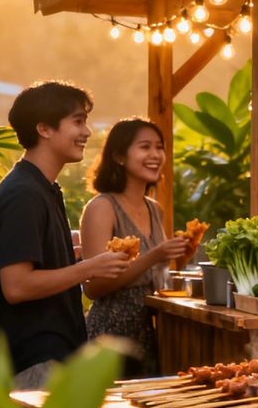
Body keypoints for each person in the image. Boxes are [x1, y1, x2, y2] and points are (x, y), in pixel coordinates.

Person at [0, 81, 129, 388]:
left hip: (53, 358)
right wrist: (90, 267)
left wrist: (70, 253)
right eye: (77, 121)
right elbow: (17, 286)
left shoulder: (42, 188)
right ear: (44, 129)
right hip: (35, 363)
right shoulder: (23, 193)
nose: (87, 132)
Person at [79, 118, 190, 377]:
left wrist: (181, 257)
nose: (155, 155)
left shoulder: (155, 209)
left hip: (149, 335)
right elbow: (93, 288)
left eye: (159, 147)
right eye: (144, 147)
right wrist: (154, 256)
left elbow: (155, 275)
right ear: (119, 155)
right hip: (110, 337)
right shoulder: (102, 208)